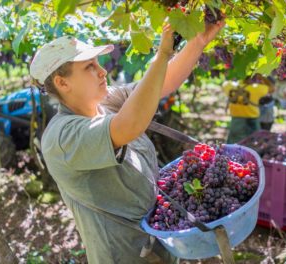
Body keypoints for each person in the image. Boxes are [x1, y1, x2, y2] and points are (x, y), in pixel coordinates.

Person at [29, 19, 224, 264]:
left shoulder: (105, 103)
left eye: (98, 63)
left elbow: (160, 84)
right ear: (62, 82)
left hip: (160, 246)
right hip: (125, 256)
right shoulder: (62, 136)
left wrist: (198, 41)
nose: (102, 71)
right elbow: (128, 126)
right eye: (89, 66)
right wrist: (162, 53)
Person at [223, 73, 269, 143]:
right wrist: (261, 76)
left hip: (236, 120)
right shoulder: (256, 88)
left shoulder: (229, 86)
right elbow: (271, 88)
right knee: (254, 142)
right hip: (252, 120)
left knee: (234, 143)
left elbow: (226, 81)